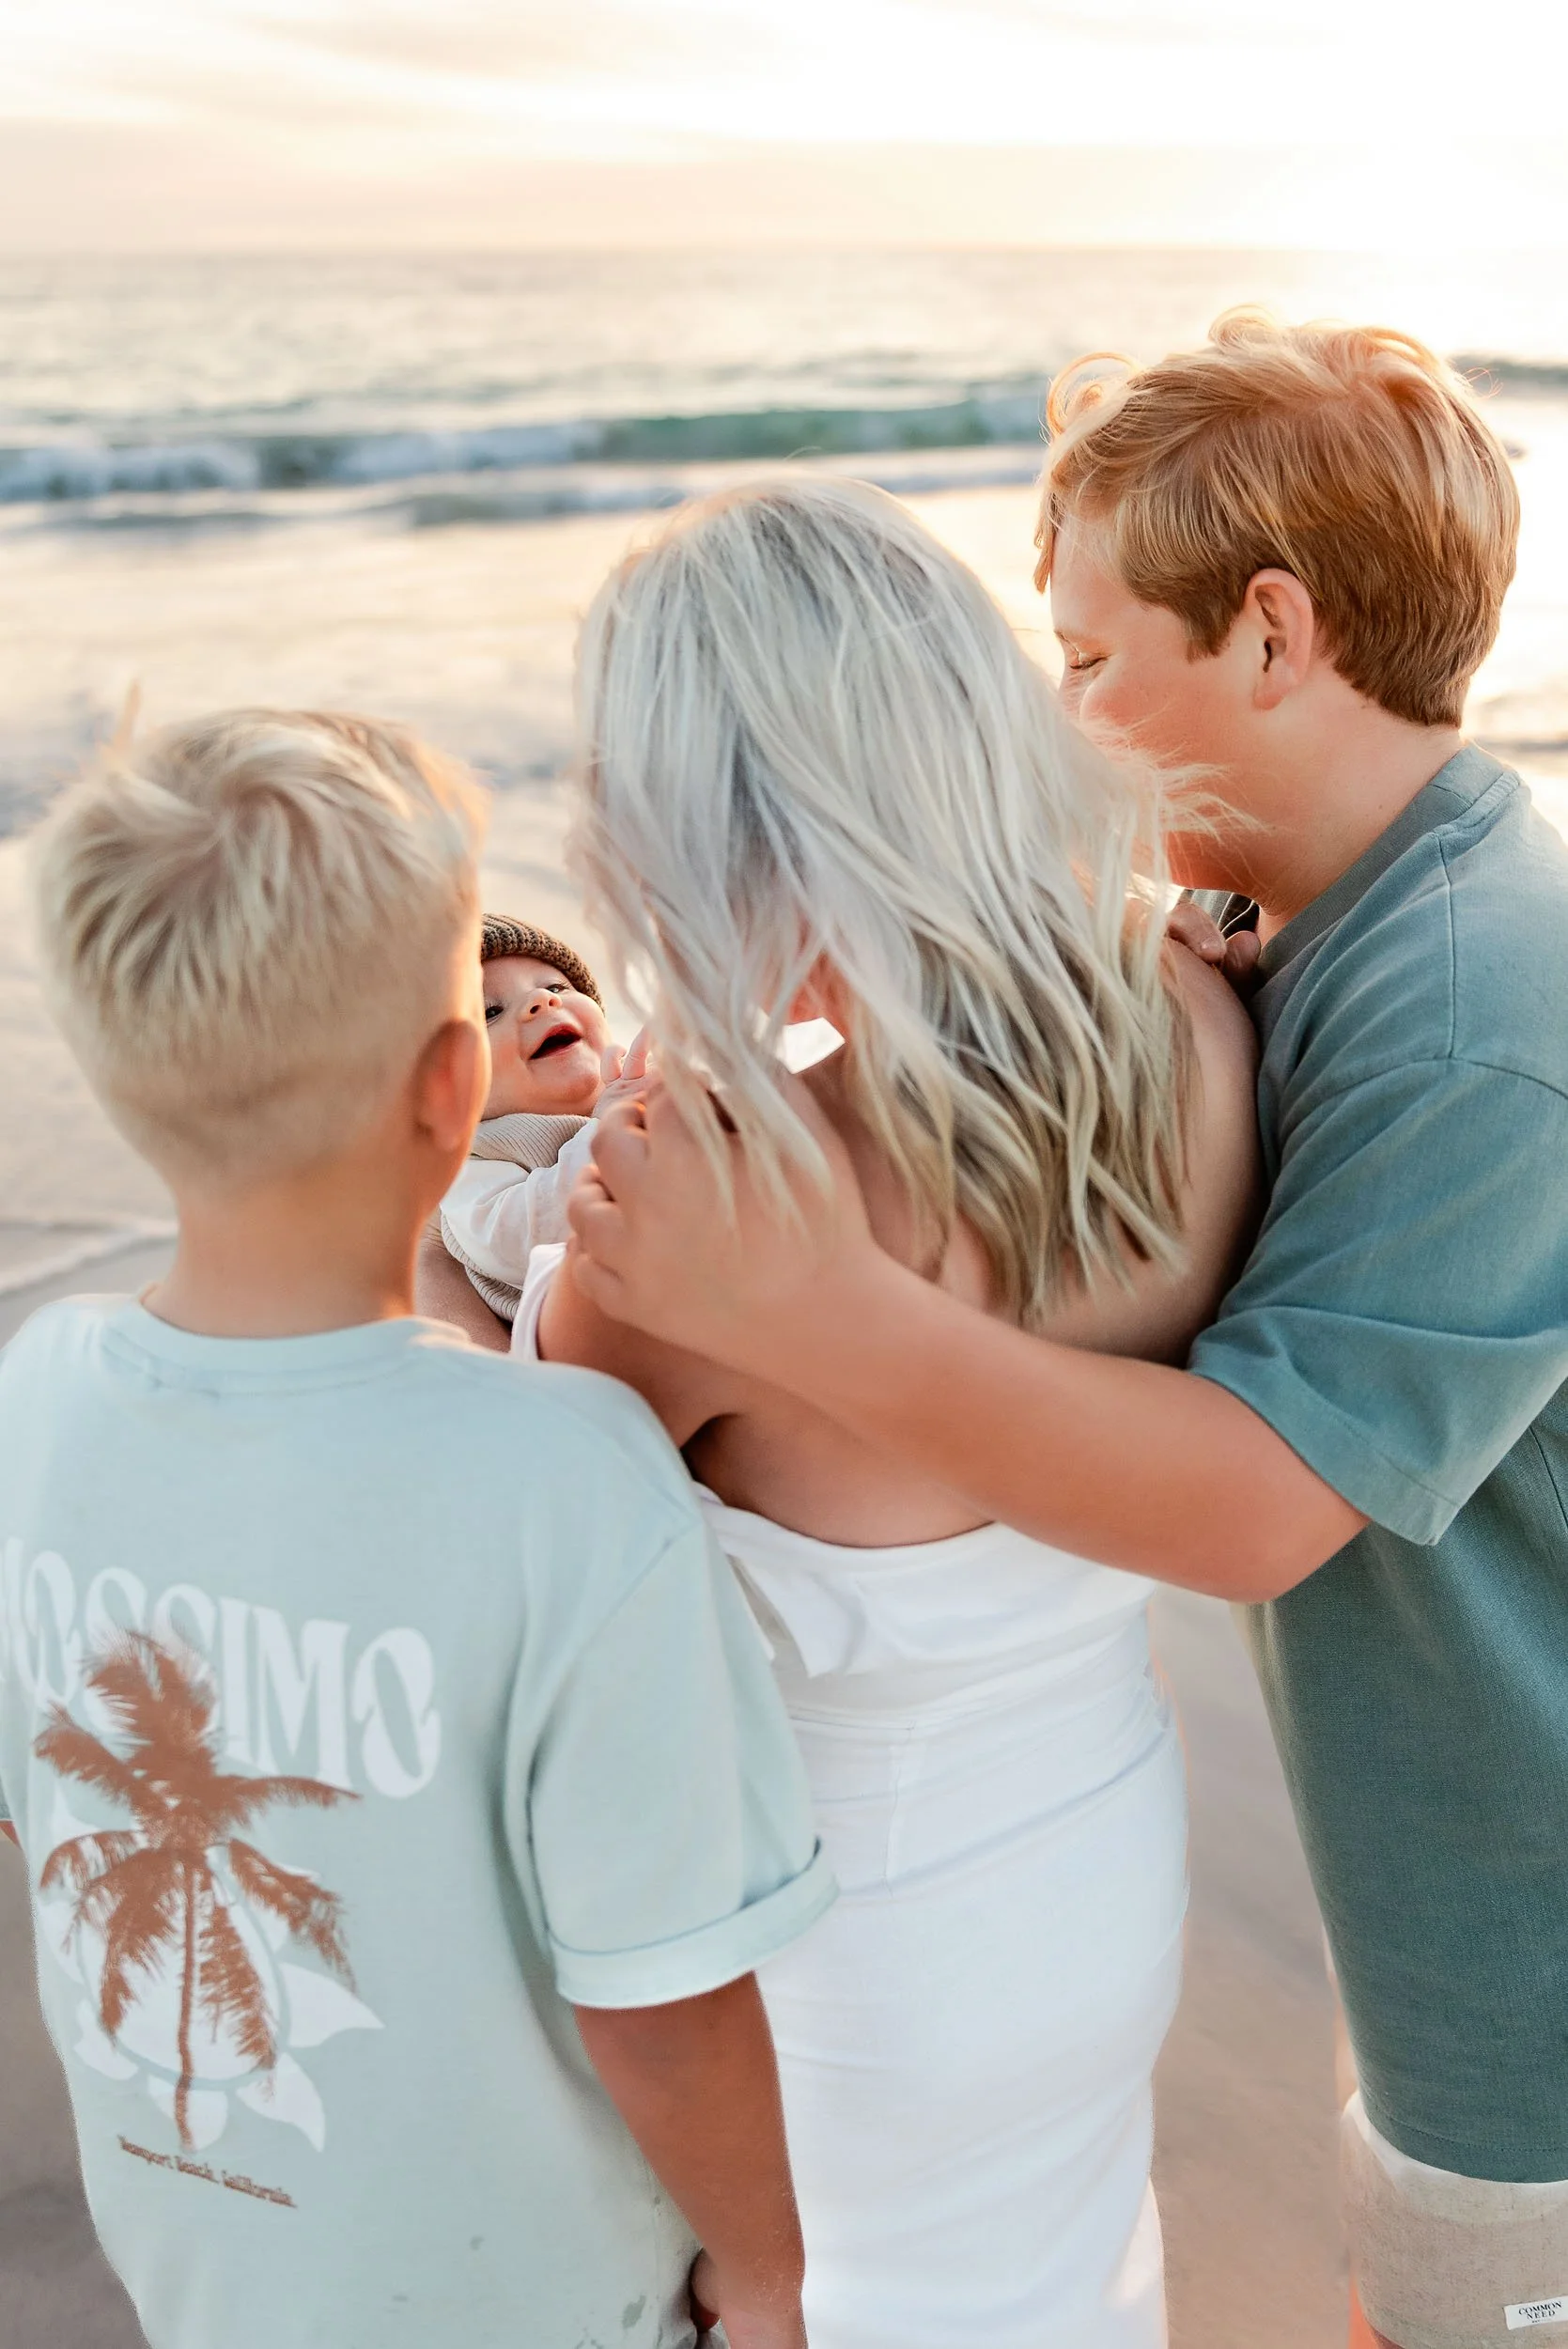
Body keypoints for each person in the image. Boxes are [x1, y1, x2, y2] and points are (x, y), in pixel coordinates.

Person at [567, 318, 1568, 2349]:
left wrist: (820, 1308)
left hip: (1517, 1957)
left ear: (1271, 637)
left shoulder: (1473, 1003)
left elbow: (1260, 1506)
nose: (1067, 720)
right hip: (1309, 1906)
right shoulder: (1261, 966)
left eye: (1095, 661)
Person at [424, 477, 1262, 2347]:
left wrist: (418, 1249)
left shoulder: (731, 1185)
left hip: (827, 1972)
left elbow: (479, 1536)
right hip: (1083, 1874)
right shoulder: (1191, 1023)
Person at [0, 708, 833, 2349]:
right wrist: (769, 2277)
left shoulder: (36, 1393)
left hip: (208, 2268)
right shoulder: (564, 1475)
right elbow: (663, 2003)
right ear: (455, 1084)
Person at [439, 914, 632, 1321]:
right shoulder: (473, 1159)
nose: (542, 1002)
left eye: (556, 986)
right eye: (490, 1012)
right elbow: (526, 1238)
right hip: (598, 1336)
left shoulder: (646, 1087)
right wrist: (609, 1135)